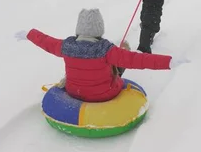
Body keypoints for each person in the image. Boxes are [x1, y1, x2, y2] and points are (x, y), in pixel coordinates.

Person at [15, 8, 178, 103]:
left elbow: (46, 41)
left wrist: (29, 34)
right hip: (105, 95)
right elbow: (140, 60)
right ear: (99, 29)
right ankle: (123, 52)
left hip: (74, 92)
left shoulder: (66, 46)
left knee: (80, 67)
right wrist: (169, 62)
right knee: (122, 58)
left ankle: (72, 81)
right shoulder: (106, 50)